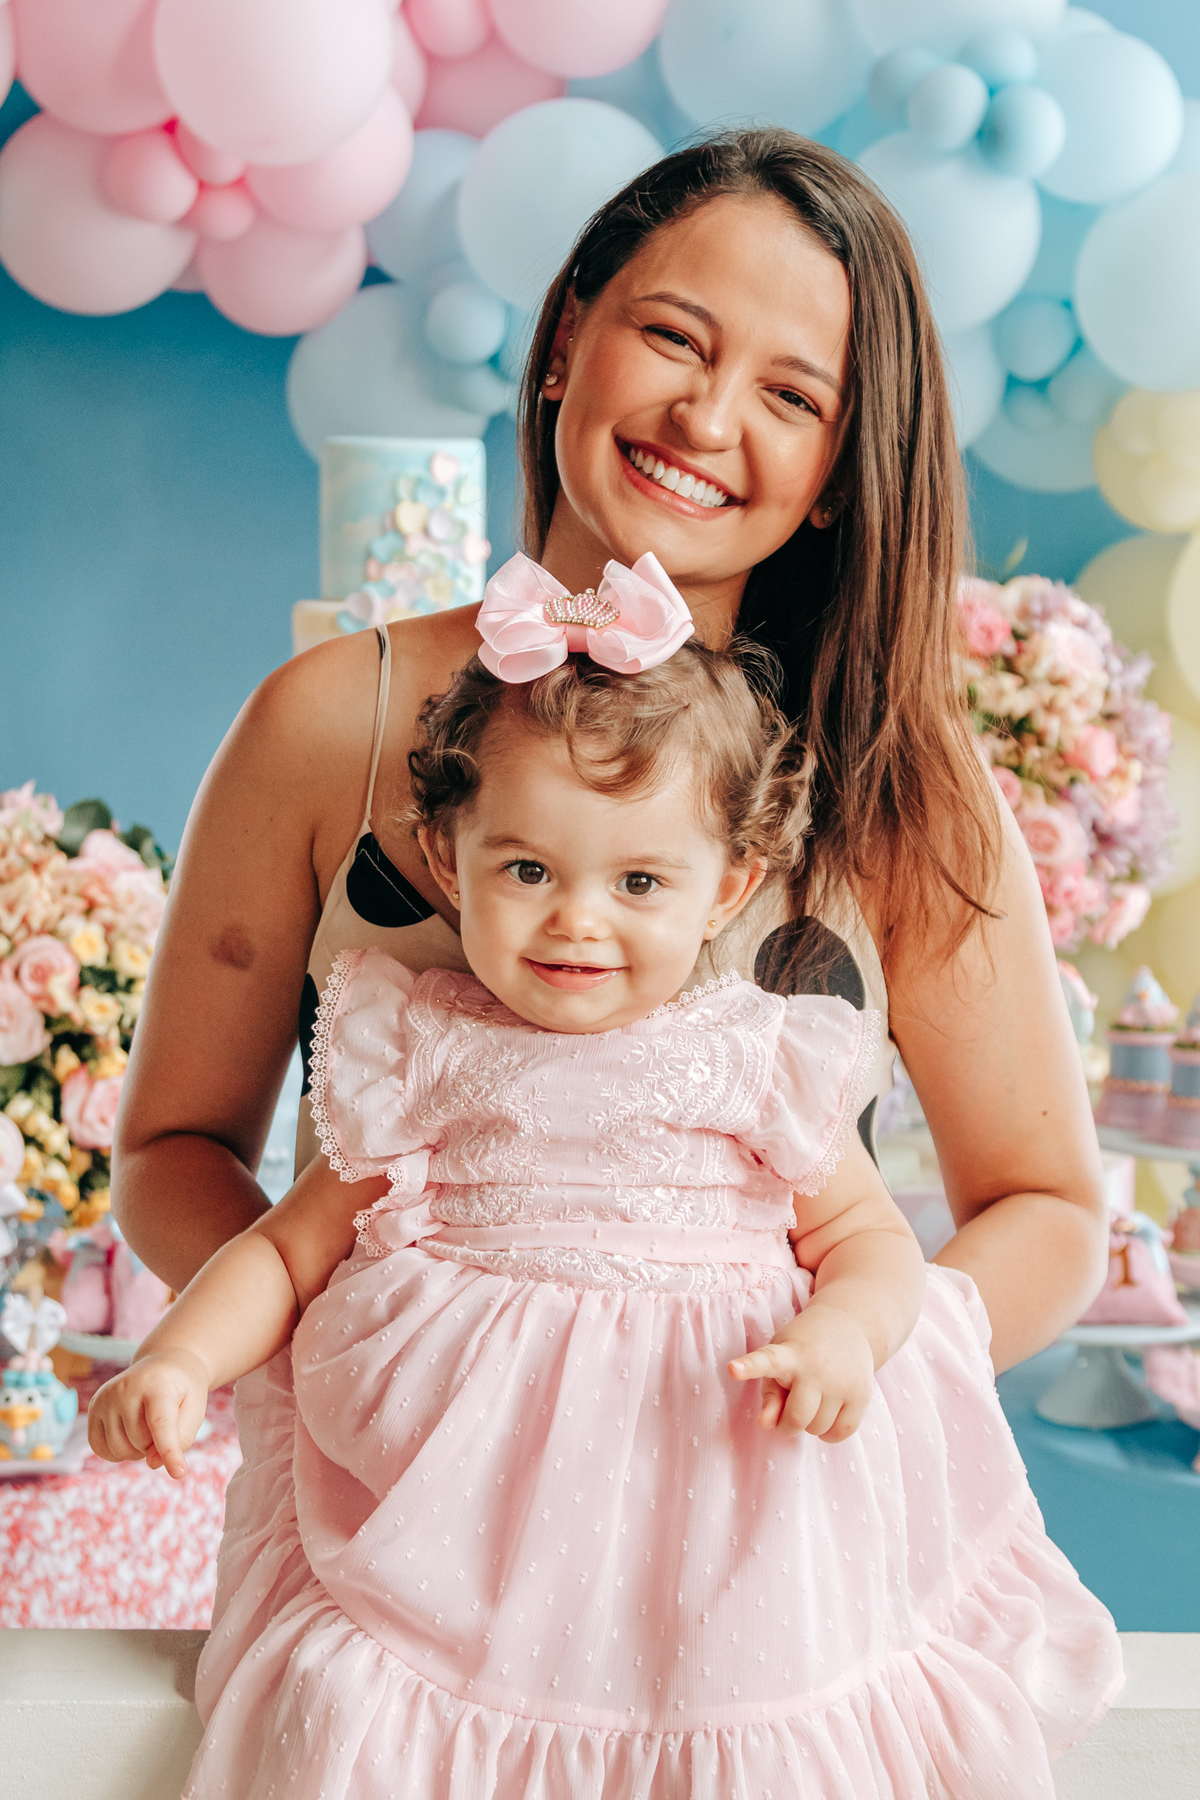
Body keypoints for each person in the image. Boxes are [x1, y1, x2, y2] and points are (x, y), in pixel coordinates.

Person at [110, 126, 1116, 1788]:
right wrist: (394, 1356)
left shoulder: (897, 778)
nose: (709, 419)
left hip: (766, 1583)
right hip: (413, 1553)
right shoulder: (331, 723)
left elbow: (1048, 1210)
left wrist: (855, 1359)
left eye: (791, 394)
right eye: (674, 336)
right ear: (569, 331)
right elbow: (171, 1151)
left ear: (842, 463)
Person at [92, 603, 1118, 1795]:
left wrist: (844, 1334)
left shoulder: (757, 1059)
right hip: (468, 1490)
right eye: (527, 869)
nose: (578, 918)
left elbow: (868, 1241)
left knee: (742, 1713)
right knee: (410, 1707)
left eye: (639, 880)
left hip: (716, 1462)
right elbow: (284, 1252)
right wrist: (181, 1358)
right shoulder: (420, 1051)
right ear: (447, 861)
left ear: (728, 887)